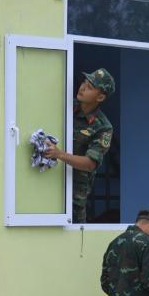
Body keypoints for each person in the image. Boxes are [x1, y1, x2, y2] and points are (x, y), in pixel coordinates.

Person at [45, 68, 115, 222]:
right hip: (46, 179)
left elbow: (90, 164)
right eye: (84, 82)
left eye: (89, 87)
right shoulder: (66, 106)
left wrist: (59, 154)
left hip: (73, 195)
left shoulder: (103, 127)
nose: (82, 88)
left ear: (100, 97)